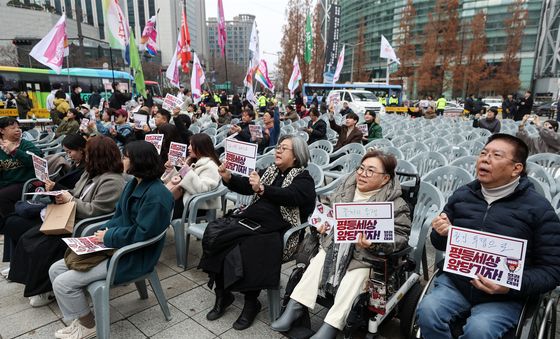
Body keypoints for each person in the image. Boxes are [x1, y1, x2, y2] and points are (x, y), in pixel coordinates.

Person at [417, 134, 560, 338]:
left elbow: (552, 270)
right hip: (458, 283)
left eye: (496, 155)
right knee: (428, 311)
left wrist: (510, 286)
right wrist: (441, 233)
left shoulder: (539, 209)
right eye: (483, 153)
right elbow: (439, 244)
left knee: (480, 329)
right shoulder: (462, 196)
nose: (485, 159)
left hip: (504, 295)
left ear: (516, 169)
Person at [271, 150, 411, 338]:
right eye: (361, 168)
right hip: (335, 247)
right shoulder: (346, 186)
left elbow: (401, 236)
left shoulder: (396, 204)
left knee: (356, 276)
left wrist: (375, 242)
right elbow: (327, 208)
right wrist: (321, 223)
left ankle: (331, 326)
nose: (362, 174)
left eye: (370, 171)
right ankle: (294, 308)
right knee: (317, 262)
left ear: (385, 178)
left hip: (366, 256)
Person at [48, 140, 173, 339]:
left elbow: (143, 234)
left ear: (138, 162)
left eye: (126, 157)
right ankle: (80, 317)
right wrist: (102, 234)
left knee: (63, 284)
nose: (121, 160)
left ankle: (89, 326)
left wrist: (109, 235)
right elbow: (119, 216)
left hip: (133, 256)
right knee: (55, 269)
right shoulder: (133, 183)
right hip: (115, 246)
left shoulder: (158, 196)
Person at [199, 135, 316, 331]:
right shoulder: (270, 170)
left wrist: (262, 189)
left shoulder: (303, 178)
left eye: (284, 148)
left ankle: (251, 302)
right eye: (278, 147)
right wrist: (228, 177)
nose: (278, 150)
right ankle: (222, 293)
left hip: (280, 227)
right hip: (253, 220)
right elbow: (247, 184)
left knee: (250, 246)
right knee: (217, 235)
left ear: (296, 156)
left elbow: (291, 196)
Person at [6, 136, 125, 306]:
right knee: (30, 237)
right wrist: (60, 192)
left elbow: (95, 210)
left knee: (42, 246)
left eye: (89, 154)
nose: (86, 157)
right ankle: (35, 282)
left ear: (99, 156)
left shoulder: (112, 180)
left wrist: (70, 200)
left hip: (84, 225)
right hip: (72, 217)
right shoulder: (90, 172)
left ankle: (43, 288)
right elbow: (76, 192)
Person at [1, 133, 86, 270]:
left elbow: (79, 196)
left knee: (14, 221)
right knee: (12, 218)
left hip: (66, 210)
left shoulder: (89, 171)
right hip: (58, 202)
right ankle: (15, 262)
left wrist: (55, 187)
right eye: (66, 152)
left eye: (70, 152)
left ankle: (18, 264)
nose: (68, 155)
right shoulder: (77, 164)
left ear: (82, 149)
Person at [162, 133, 221, 218]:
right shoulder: (193, 161)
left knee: (160, 210)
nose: (188, 148)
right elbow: (180, 180)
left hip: (195, 205)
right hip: (184, 198)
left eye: (192, 145)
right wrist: (170, 169)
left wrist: (186, 171)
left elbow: (202, 189)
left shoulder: (210, 166)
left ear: (201, 148)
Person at [0, 117, 42, 221]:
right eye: (12, 127)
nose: (17, 130)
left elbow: (36, 162)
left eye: (18, 127)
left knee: (2, 196)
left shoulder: (25, 145)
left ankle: (15, 222)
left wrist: (14, 151)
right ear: (1, 130)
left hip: (26, 183)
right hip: (6, 184)